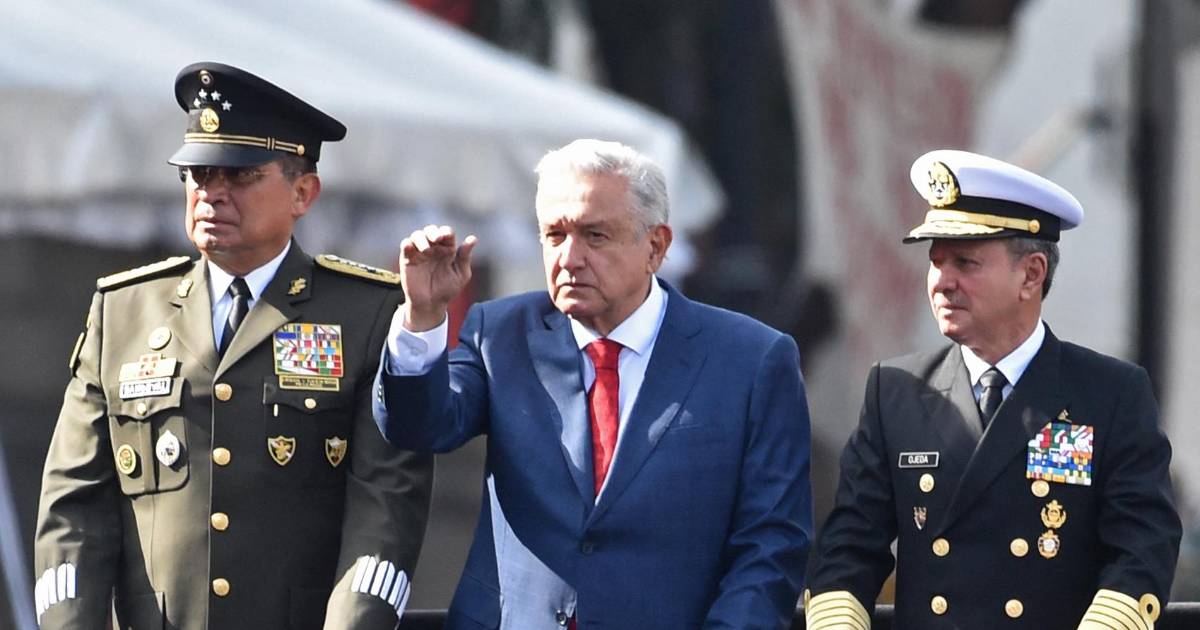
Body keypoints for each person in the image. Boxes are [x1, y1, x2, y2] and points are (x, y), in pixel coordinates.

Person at [33, 62, 433, 629]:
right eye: (198, 174)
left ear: (303, 192)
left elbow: (385, 507)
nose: (211, 194)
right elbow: (73, 505)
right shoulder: (123, 311)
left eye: (240, 176)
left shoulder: (363, 314)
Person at [373, 139, 812, 628]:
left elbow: (772, 542)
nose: (569, 258)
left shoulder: (752, 359)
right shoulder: (498, 334)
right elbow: (418, 427)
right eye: (554, 235)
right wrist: (422, 316)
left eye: (594, 236)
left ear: (656, 247)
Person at [804, 149, 1181, 629]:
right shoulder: (894, 391)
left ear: (1032, 274)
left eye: (965, 262)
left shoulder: (1111, 393)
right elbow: (849, 547)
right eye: (936, 262)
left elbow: (1143, 546)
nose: (943, 283)